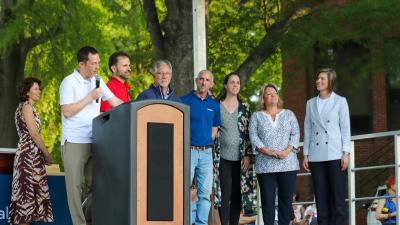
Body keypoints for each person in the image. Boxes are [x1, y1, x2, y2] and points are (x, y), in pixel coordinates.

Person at [59, 46, 123, 225]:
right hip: (74, 142)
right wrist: (90, 97)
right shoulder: (69, 82)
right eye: (93, 63)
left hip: (95, 140)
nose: (97, 66)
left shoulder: (98, 81)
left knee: (101, 184)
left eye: (98, 63)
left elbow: (115, 102)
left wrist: (134, 108)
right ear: (82, 64)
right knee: (75, 188)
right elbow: (67, 111)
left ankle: (88, 219)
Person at [303, 68, 350, 225]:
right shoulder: (310, 103)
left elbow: (345, 128)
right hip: (316, 156)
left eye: (322, 79)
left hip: (335, 154)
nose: (318, 81)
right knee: (321, 199)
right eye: (317, 78)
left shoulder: (340, 101)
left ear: (330, 81)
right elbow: (308, 128)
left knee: (337, 198)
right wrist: (306, 154)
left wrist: (346, 153)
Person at [249, 83, 300, 225]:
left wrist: (285, 152)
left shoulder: (289, 114)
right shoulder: (256, 116)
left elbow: (295, 135)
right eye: (268, 93)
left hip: (287, 164)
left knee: (285, 201)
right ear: (263, 98)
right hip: (265, 166)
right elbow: (253, 137)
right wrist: (268, 151)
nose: (272, 96)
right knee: (268, 202)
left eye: (275, 93)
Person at [8, 77, 53, 225]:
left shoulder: (29, 107)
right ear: (27, 92)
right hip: (28, 157)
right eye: (35, 89)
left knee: (30, 203)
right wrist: (46, 153)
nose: (39, 91)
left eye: (39, 89)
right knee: (26, 201)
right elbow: (34, 133)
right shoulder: (26, 107)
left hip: (32, 157)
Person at [213, 72, 254, 225]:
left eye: (237, 82)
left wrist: (248, 155)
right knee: (225, 192)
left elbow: (250, 133)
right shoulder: (216, 105)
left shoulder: (245, 108)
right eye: (232, 82)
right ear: (225, 85)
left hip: (240, 158)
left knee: (237, 194)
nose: (235, 85)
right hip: (222, 157)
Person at [181, 70, 221, 225]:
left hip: (206, 153)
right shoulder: (184, 100)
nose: (204, 82)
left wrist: (205, 142)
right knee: (185, 191)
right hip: (188, 151)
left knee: (205, 194)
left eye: (207, 80)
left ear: (211, 83)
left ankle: (200, 223)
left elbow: (215, 128)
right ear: (196, 81)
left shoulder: (214, 105)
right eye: (201, 79)